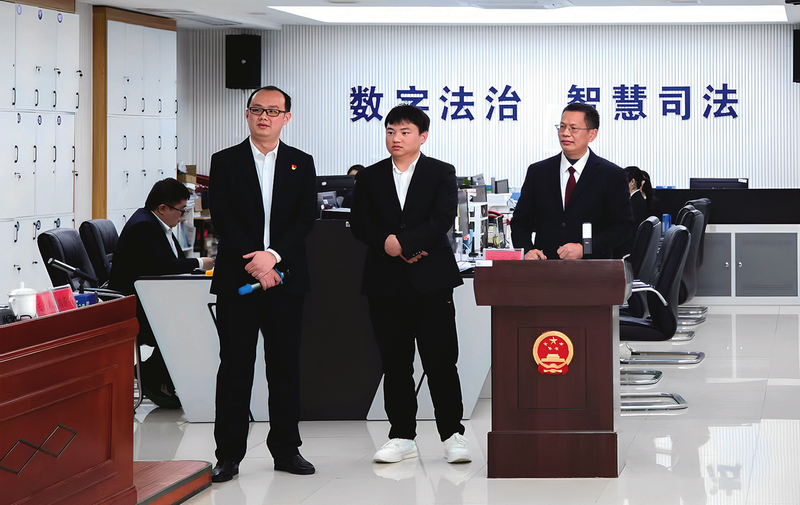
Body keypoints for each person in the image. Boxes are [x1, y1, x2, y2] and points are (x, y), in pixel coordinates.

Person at [350, 104, 472, 465]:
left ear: (423, 136)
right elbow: (360, 223)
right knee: (395, 363)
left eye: (404, 132)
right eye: (390, 131)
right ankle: (402, 436)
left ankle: (452, 435)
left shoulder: (440, 172)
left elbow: (442, 219)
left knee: (441, 362)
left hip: (431, 281)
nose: (396, 138)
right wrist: (386, 243)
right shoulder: (370, 177)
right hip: (385, 282)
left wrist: (405, 244)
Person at [208, 85, 318, 482]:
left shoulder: (301, 162)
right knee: (235, 368)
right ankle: (228, 455)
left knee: (284, 368)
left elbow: (306, 217)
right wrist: (256, 261)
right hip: (238, 280)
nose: (264, 117)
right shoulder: (225, 161)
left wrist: (272, 256)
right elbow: (222, 216)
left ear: (287, 117)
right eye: (257, 110)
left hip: (285, 279)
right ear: (247, 114)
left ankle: (286, 450)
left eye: (273, 111)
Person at [109, 177, 215, 408]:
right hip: (137, 306)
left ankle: (158, 375)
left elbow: (172, 262)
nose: (182, 216)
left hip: (153, 297)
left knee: (197, 316)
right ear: (163, 208)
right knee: (192, 322)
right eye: (181, 210)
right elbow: (162, 266)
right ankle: (153, 376)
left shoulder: (157, 224)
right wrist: (199, 262)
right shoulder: (143, 227)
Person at [510, 102, 633, 260]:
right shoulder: (538, 172)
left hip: (593, 268)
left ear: (592, 134)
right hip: (545, 267)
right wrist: (527, 250)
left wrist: (585, 249)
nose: (565, 133)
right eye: (562, 127)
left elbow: (624, 228)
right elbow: (520, 222)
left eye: (573, 128)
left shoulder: (612, 175)